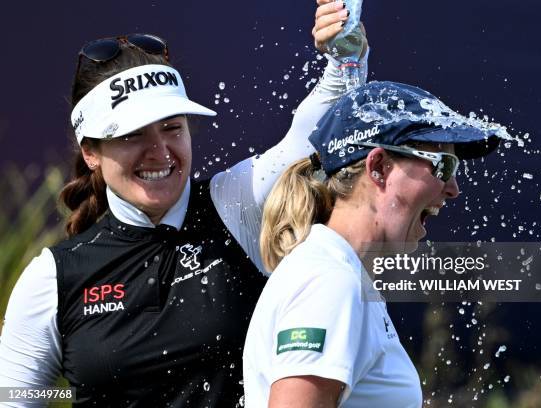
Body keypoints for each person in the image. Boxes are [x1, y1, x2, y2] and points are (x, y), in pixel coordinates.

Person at [0, 1, 369, 406]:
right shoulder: (53, 278)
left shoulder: (234, 205)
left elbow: (315, 133)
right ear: (90, 151)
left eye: (172, 127)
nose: (160, 152)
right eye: (132, 135)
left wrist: (346, 53)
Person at [243, 81, 510, 407]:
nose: (453, 188)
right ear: (379, 166)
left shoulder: (337, 273)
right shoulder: (331, 282)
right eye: (443, 166)